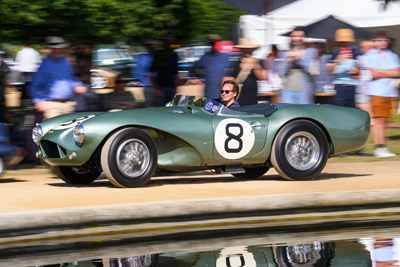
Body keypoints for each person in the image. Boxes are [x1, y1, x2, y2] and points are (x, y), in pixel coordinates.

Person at [30, 36, 87, 120]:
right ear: (49, 49)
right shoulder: (44, 64)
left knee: (68, 131)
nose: (57, 50)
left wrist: (78, 85)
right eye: (54, 48)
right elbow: (35, 85)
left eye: (60, 48)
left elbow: (71, 78)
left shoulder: (67, 62)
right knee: (53, 130)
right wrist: (38, 101)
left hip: (68, 104)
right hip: (52, 105)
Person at [363, 30, 400, 158]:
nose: (381, 42)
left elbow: (397, 72)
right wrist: (389, 72)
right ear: (374, 42)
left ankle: (383, 147)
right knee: (379, 120)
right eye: (378, 40)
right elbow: (373, 73)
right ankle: (379, 148)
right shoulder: (369, 55)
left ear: (388, 41)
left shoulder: (392, 55)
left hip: (390, 91)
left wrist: (381, 72)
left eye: (383, 40)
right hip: (376, 90)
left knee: (386, 120)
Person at [280, 26, 318, 104]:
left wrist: (300, 59)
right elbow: (280, 73)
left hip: (304, 92)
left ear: (303, 37)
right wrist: (289, 61)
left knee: (303, 114)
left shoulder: (312, 52)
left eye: (299, 36)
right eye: (294, 36)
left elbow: (314, 72)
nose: (296, 39)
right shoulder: (284, 53)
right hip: (288, 91)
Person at [190, 34, 233, 101]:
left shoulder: (224, 57)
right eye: (210, 43)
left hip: (222, 94)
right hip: (208, 94)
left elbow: (231, 72)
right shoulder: (205, 57)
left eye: (214, 42)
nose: (212, 45)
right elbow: (192, 69)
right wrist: (201, 77)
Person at [225, 38, 266, 106]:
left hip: (252, 100)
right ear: (242, 50)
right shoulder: (236, 63)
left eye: (249, 50)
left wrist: (255, 66)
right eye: (245, 50)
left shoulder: (257, 62)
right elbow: (229, 80)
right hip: (238, 100)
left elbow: (262, 77)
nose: (248, 52)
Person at [327, 29, 359, 108]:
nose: (344, 44)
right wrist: (337, 60)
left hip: (352, 86)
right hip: (340, 86)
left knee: (352, 111)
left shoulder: (354, 52)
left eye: (346, 41)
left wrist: (356, 71)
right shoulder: (334, 54)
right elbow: (328, 71)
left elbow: (359, 70)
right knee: (340, 110)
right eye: (342, 42)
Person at [150, 36, 179, 107]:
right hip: (161, 89)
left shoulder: (174, 55)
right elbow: (152, 74)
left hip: (171, 89)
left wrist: (175, 88)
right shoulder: (159, 55)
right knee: (161, 111)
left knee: (171, 110)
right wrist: (157, 90)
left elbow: (176, 74)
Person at [132, 40, 156, 107]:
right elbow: (136, 71)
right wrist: (140, 82)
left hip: (160, 86)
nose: (151, 46)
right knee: (150, 106)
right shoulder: (143, 57)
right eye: (149, 45)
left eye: (152, 45)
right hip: (148, 85)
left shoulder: (160, 57)